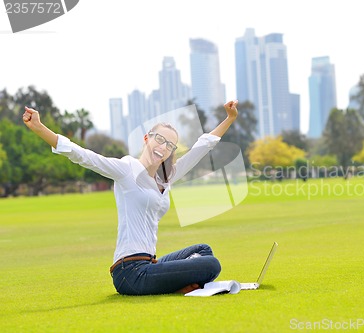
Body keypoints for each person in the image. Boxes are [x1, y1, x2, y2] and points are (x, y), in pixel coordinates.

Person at [22, 100, 239, 295]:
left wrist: (229, 119)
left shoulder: (167, 176)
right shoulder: (127, 169)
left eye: (169, 145)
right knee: (211, 265)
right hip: (130, 273)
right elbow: (83, 156)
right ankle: (182, 287)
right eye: (159, 139)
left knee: (203, 251)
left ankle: (181, 286)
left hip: (150, 264)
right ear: (147, 139)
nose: (163, 147)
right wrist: (40, 128)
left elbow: (202, 147)